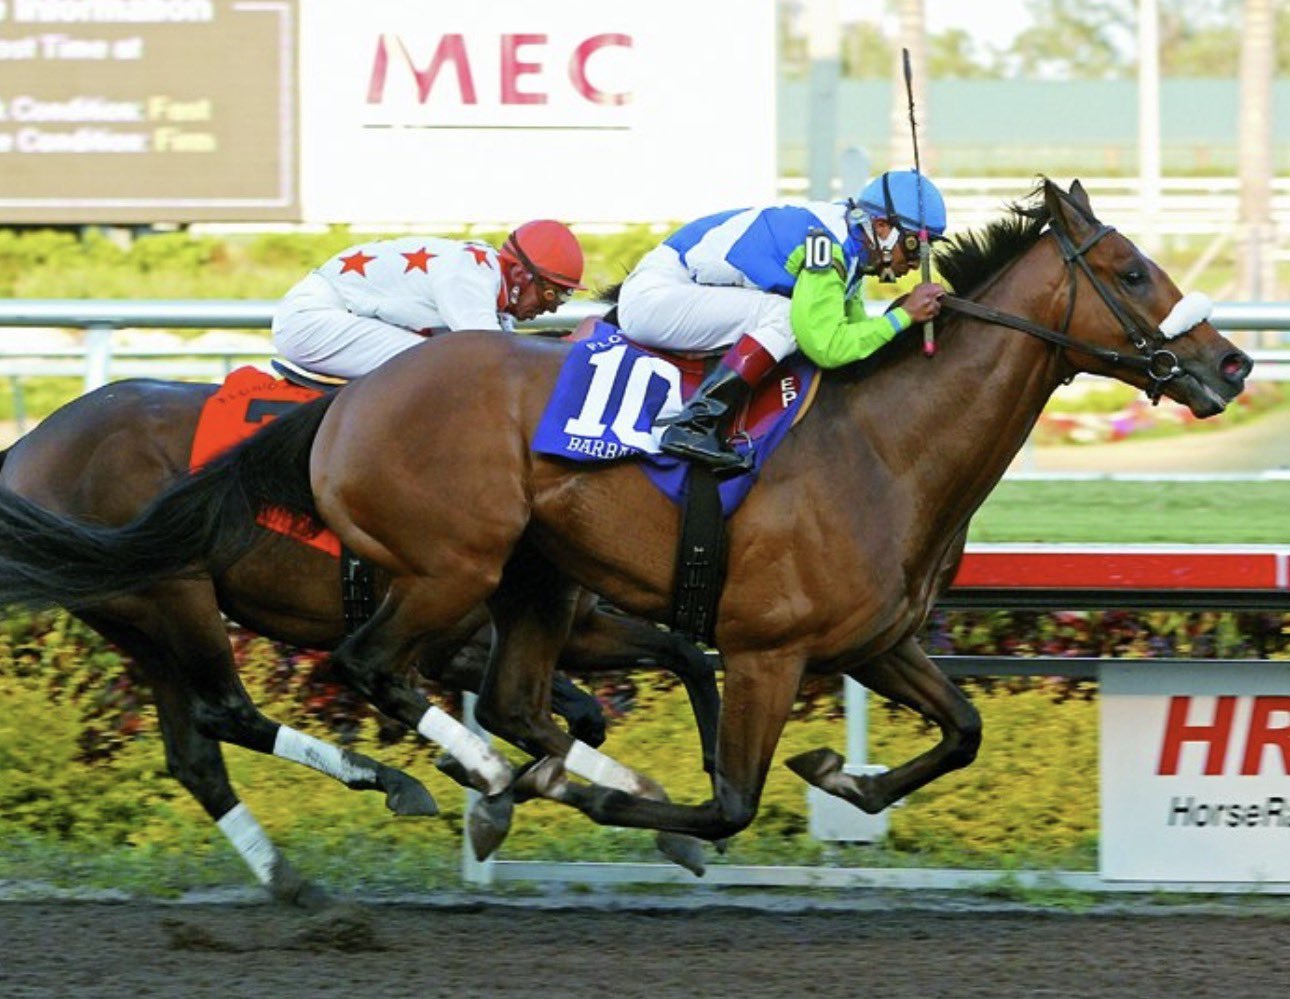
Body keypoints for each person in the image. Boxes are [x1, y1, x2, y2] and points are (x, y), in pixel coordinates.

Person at [617, 169, 949, 472]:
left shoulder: (849, 249)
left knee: (785, 316)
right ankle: (694, 423)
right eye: (915, 246)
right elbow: (826, 346)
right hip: (656, 298)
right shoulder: (828, 246)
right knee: (786, 318)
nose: (917, 261)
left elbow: (853, 340)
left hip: (675, 294)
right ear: (882, 227)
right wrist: (904, 316)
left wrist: (898, 318)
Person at [272, 220, 586, 379]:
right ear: (519, 274)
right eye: (550, 294)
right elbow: (494, 359)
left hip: (338, 312)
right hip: (311, 319)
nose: (550, 308)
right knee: (439, 367)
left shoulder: (490, 281)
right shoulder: (469, 276)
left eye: (562, 298)